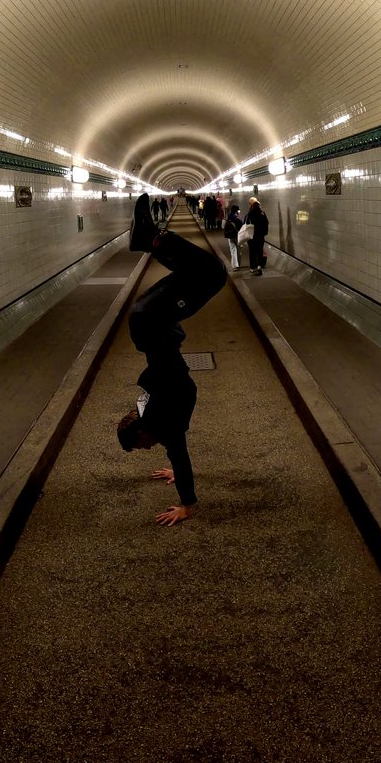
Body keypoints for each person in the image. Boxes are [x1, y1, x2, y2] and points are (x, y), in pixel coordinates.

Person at [119, 193, 226, 524]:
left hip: (151, 324)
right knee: (196, 272)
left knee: (213, 272)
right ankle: (151, 237)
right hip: (150, 324)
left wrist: (186, 504)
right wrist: (175, 472)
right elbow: (174, 455)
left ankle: (149, 237)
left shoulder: (162, 425)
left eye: (142, 445)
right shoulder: (148, 413)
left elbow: (179, 455)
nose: (147, 449)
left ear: (142, 431)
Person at [245, 196, 269, 275]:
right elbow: (266, 223)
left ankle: (252, 267)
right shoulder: (262, 213)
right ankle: (259, 266)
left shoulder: (250, 214)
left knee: (252, 252)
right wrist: (264, 233)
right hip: (260, 236)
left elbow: (246, 224)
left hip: (251, 237)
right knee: (259, 251)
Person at [223, 203, 242, 268]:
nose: (239, 211)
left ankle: (234, 265)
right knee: (238, 250)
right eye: (238, 210)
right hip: (236, 236)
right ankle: (238, 264)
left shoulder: (229, 217)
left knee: (233, 249)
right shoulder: (237, 218)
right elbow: (241, 227)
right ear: (236, 210)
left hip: (230, 236)